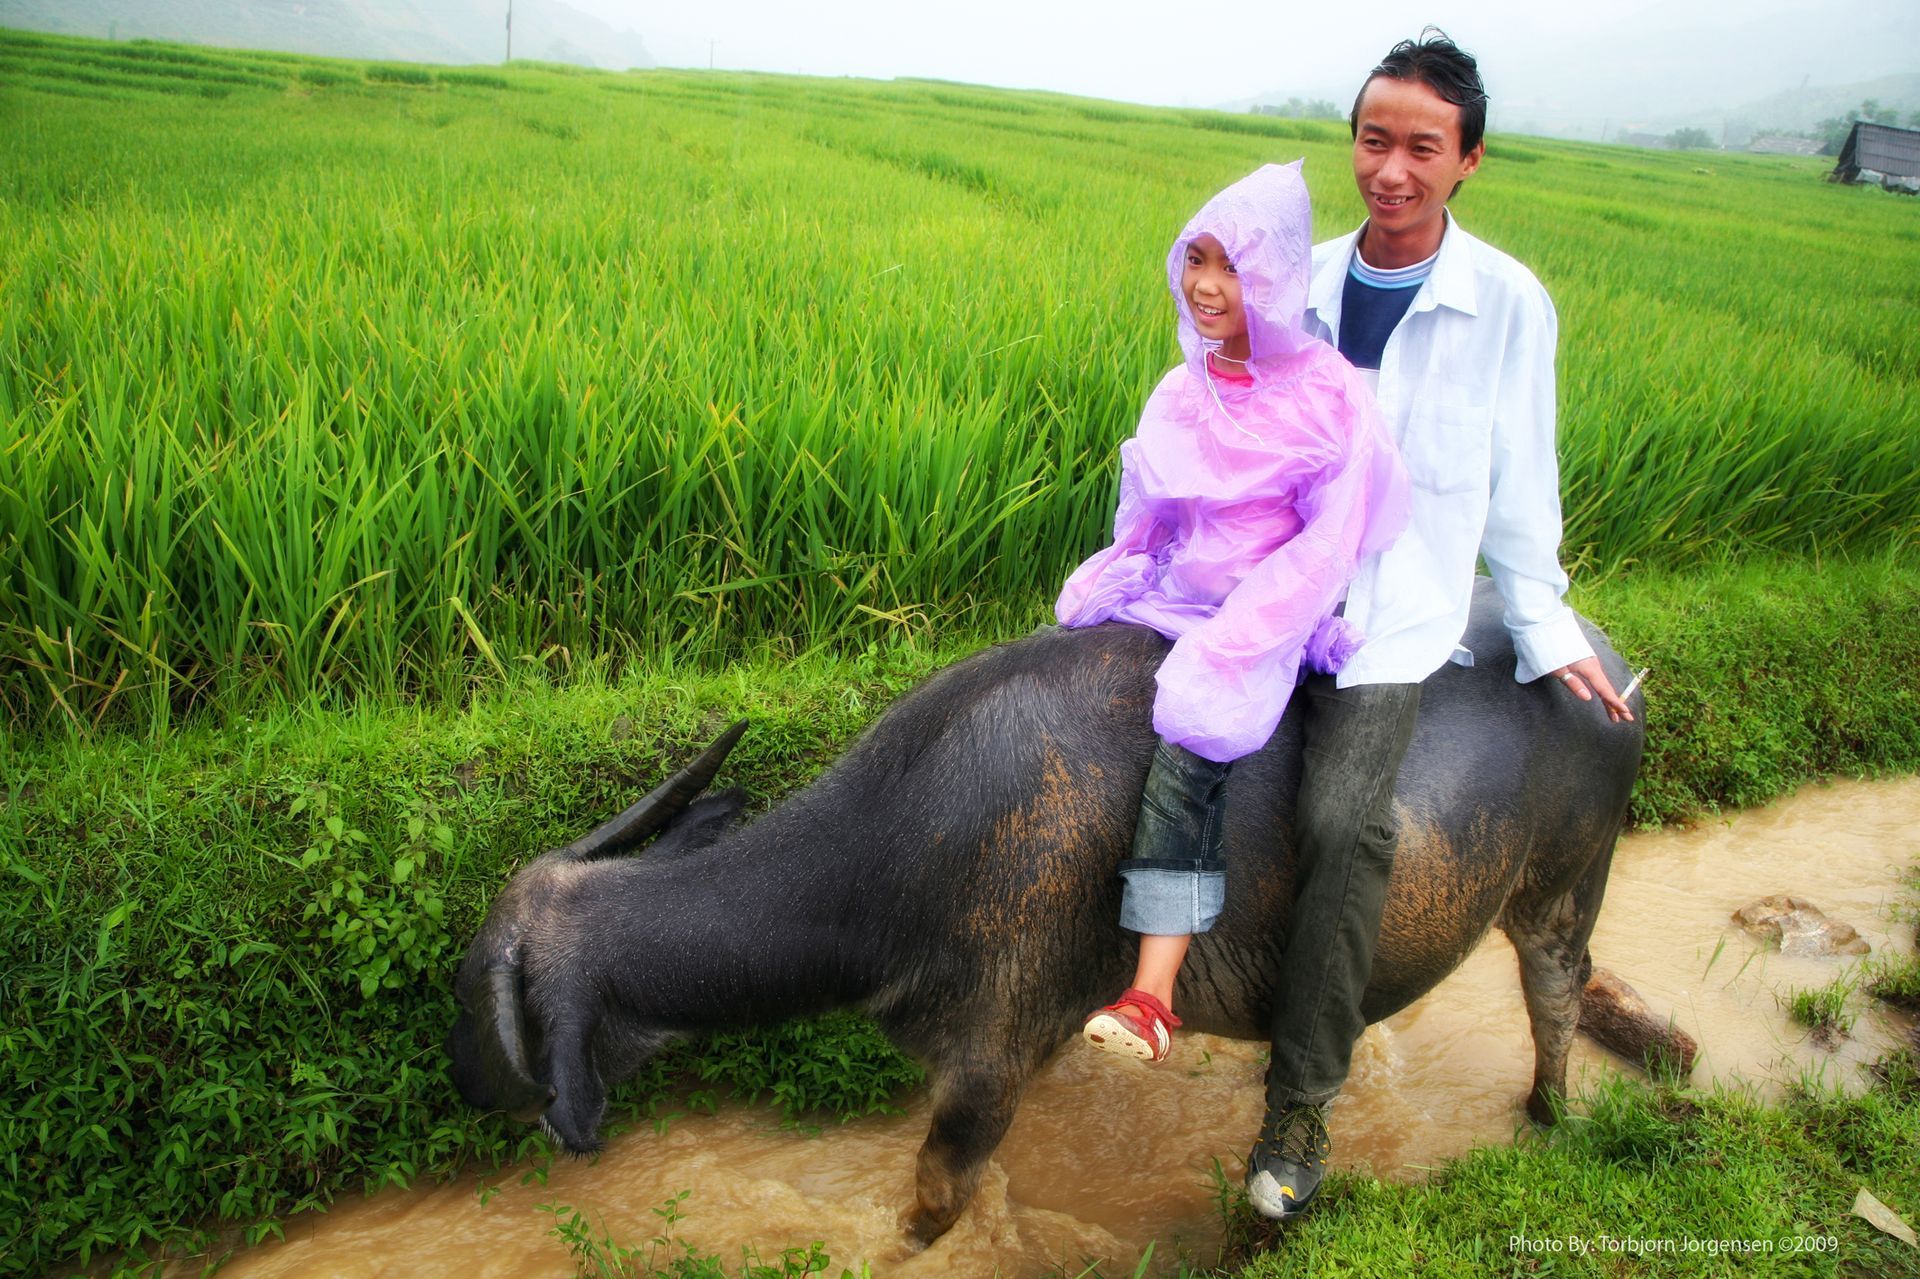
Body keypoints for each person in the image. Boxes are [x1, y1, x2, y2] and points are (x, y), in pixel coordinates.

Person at [1237, 30, 1636, 1224]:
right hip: (1271, 595)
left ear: (1469, 160)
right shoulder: (1293, 282)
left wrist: (1544, 620)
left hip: (1392, 624)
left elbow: (1521, 481)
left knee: (1341, 821)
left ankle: (1298, 1107)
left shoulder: (1506, 302)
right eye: (1374, 141)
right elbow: (1235, 445)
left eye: (1422, 147)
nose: (1391, 170)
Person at [1054, 163, 1410, 1068]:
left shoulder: (1328, 392)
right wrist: (1117, 575)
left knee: (1190, 744)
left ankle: (1153, 995)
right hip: (1176, 595)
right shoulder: (1183, 387)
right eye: (1196, 258)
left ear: (1278, 280)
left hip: (1265, 610)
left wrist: (1235, 640)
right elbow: (1149, 510)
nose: (1207, 284)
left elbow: (1329, 542)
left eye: (1234, 266)